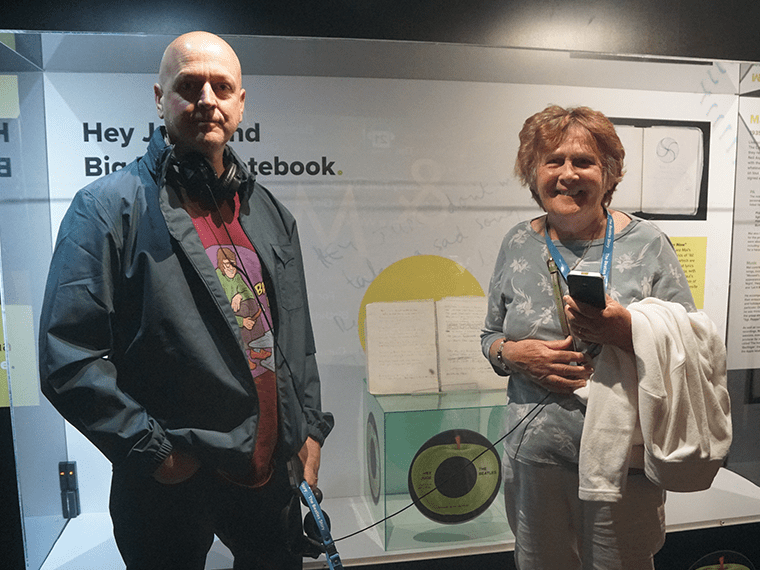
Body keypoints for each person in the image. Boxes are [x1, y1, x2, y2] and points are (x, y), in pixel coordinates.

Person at [39, 31, 334, 570]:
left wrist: (310, 433)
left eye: (222, 87)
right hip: (169, 483)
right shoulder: (105, 208)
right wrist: (154, 455)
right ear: (159, 98)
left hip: (270, 475)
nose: (207, 99)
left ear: (240, 102)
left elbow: (297, 338)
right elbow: (68, 357)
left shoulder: (268, 210)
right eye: (188, 85)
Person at [481, 105, 728, 569]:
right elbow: (490, 335)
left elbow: (695, 343)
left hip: (624, 459)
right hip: (535, 457)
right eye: (553, 161)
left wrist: (628, 329)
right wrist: (513, 354)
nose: (567, 174)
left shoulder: (648, 242)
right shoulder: (517, 242)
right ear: (533, 173)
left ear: (609, 173)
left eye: (584, 161)